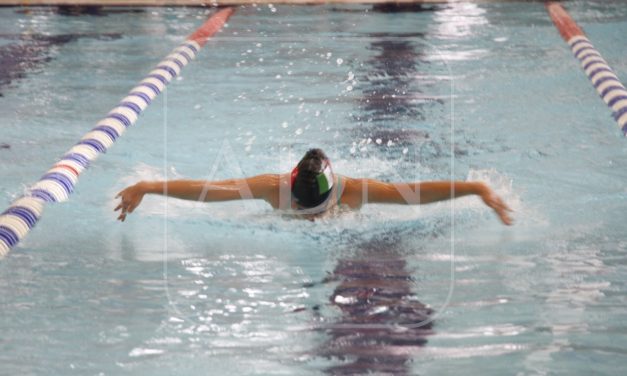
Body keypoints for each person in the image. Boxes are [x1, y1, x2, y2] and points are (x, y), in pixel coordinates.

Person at [114, 148, 513, 224]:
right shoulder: (271, 188)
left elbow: (414, 195)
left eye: (318, 209)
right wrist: (148, 186)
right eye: (307, 209)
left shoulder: (353, 191)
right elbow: (208, 191)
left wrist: (475, 189)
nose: (312, 217)